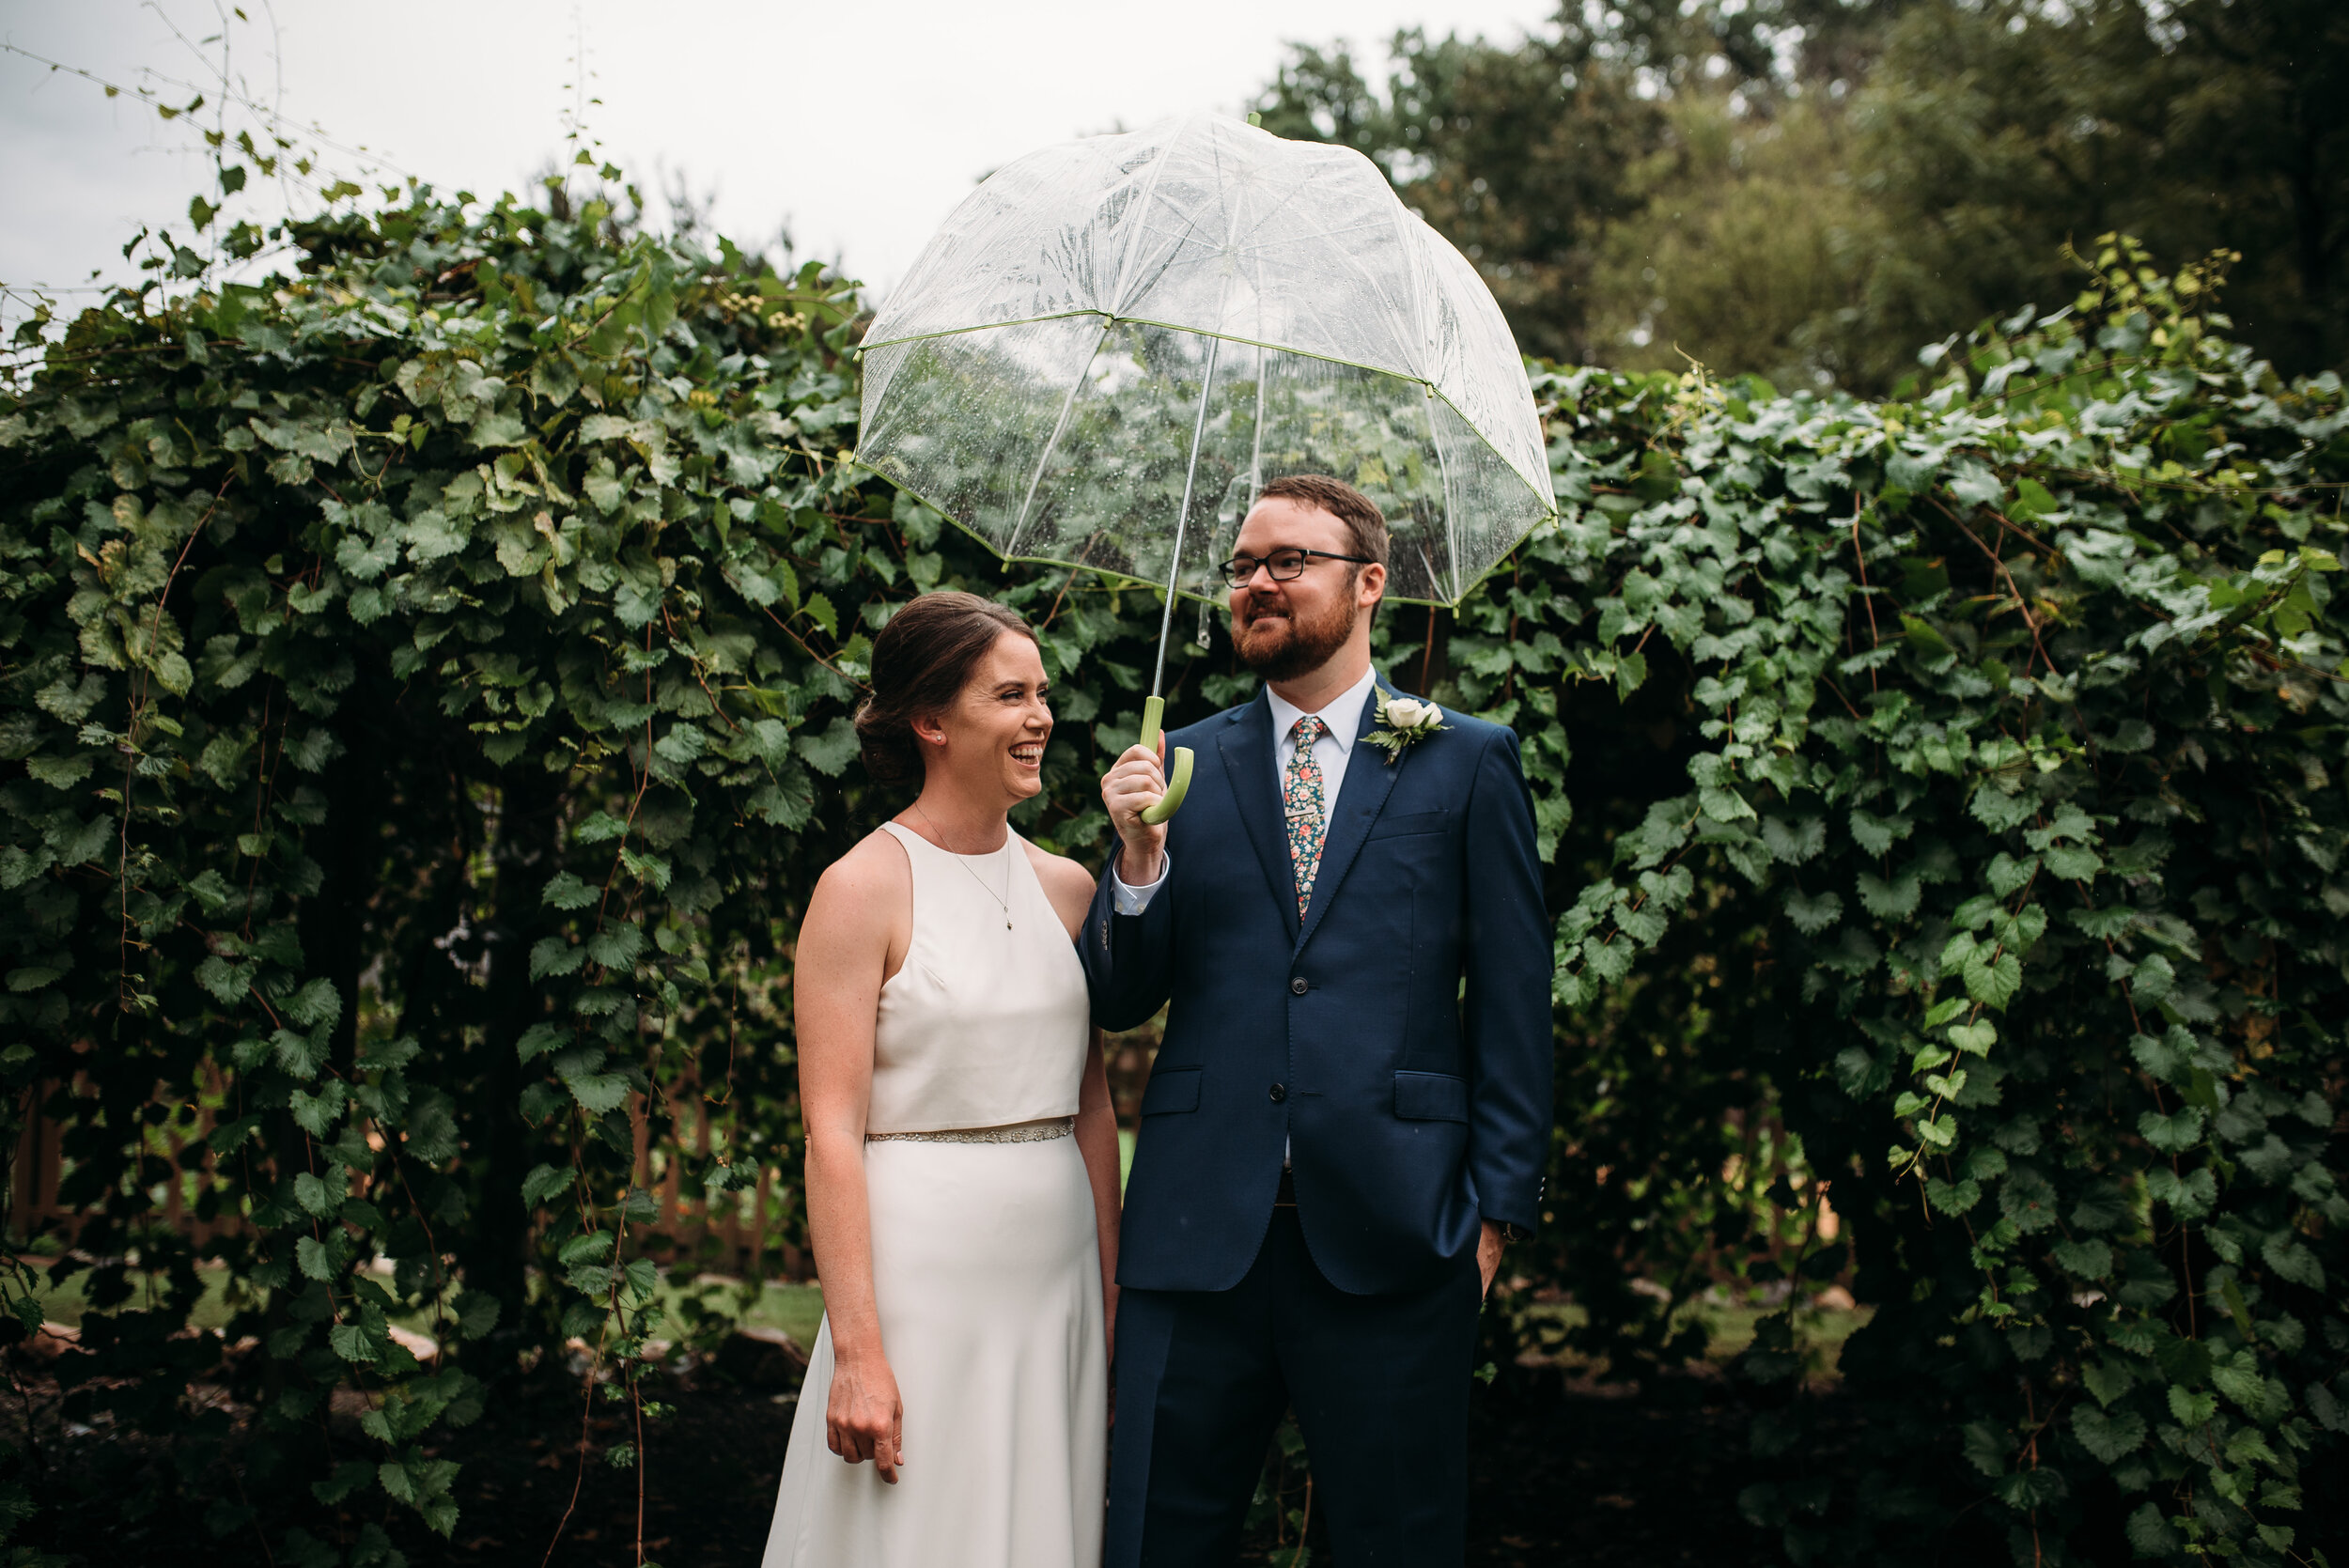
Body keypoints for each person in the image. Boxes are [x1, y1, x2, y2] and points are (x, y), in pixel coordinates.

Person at [1086, 474, 1554, 1566]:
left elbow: (1513, 1002)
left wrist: (1495, 1217)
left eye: (1287, 561)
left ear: (1370, 583)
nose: (1256, 583)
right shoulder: (1178, 764)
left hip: (1400, 1233)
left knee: (1397, 1540)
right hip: (1199, 1237)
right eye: (1244, 566)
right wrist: (1139, 859)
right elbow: (1117, 997)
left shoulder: (1466, 760)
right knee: (1157, 1535)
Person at [762, 591, 1121, 1568]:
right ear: (931, 721)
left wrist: (1114, 1301)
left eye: (1043, 693)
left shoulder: (1071, 887)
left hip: (1056, 1278)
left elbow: (1092, 1108)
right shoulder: (861, 887)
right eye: (1011, 695)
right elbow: (831, 1131)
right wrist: (858, 1351)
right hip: (920, 1271)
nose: (1040, 717)